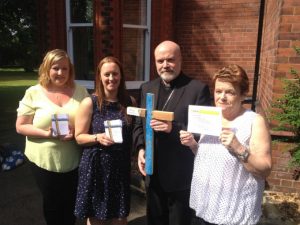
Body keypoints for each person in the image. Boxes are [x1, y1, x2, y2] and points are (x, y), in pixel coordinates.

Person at [180, 64, 272, 225]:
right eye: (218, 91)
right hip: (204, 205)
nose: (222, 97)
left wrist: (238, 147)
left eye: (229, 92)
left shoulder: (254, 122)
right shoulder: (211, 116)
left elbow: (264, 170)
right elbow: (208, 157)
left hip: (234, 212)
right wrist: (193, 145)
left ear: (243, 95)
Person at [133, 40, 211, 225]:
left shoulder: (197, 89)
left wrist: (173, 129)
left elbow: (204, 132)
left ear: (180, 60)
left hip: (181, 176)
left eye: (170, 60)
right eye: (160, 61)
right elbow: (139, 123)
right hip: (153, 173)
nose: (165, 65)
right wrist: (141, 148)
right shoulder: (146, 88)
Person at [16, 49, 89, 225]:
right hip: (44, 160)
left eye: (65, 69)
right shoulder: (33, 92)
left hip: (73, 160)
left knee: (71, 205)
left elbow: (88, 120)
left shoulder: (81, 91)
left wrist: (77, 132)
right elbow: (21, 126)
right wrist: (47, 133)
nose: (61, 73)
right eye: (56, 68)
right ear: (47, 69)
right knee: (52, 204)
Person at [74, 56, 135, 225]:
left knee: (120, 216)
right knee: (95, 217)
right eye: (106, 74)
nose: (111, 78)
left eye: (115, 74)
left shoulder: (129, 102)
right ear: (99, 77)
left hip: (120, 167)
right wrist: (97, 137)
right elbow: (79, 137)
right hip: (96, 167)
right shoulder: (89, 103)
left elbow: (134, 134)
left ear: (121, 76)